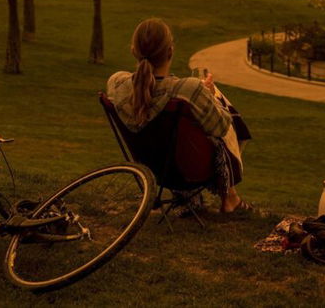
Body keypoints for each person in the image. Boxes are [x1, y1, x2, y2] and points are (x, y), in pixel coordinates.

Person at [105, 18, 252, 214]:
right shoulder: (188, 89)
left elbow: (146, 92)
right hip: (189, 171)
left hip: (150, 169)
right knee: (222, 112)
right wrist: (208, 96)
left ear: (133, 50)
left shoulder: (116, 84)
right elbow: (223, 126)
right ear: (171, 51)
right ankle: (230, 197)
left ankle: (192, 198)